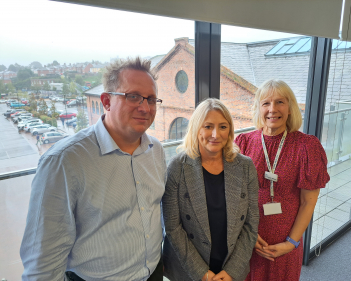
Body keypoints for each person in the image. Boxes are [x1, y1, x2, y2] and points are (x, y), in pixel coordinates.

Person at [20, 57, 167, 281]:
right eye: (133, 96)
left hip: (154, 273)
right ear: (106, 102)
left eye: (151, 99)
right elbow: (43, 263)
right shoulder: (63, 161)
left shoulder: (156, 150)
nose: (145, 107)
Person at [235, 79, 330, 281]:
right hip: (248, 239)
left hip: (286, 242)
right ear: (258, 108)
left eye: (280, 102)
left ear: (290, 108)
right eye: (266, 103)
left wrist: (291, 243)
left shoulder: (306, 147)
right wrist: (246, 233)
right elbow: (234, 197)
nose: (272, 109)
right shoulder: (243, 143)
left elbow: (308, 202)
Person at [163, 98, 259, 281]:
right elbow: (173, 228)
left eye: (223, 127)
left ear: (230, 130)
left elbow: (251, 223)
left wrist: (232, 270)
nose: (215, 134)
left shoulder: (245, 166)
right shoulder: (177, 167)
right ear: (196, 128)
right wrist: (202, 273)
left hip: (230, 265)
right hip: (189, 269)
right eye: (208, 126)